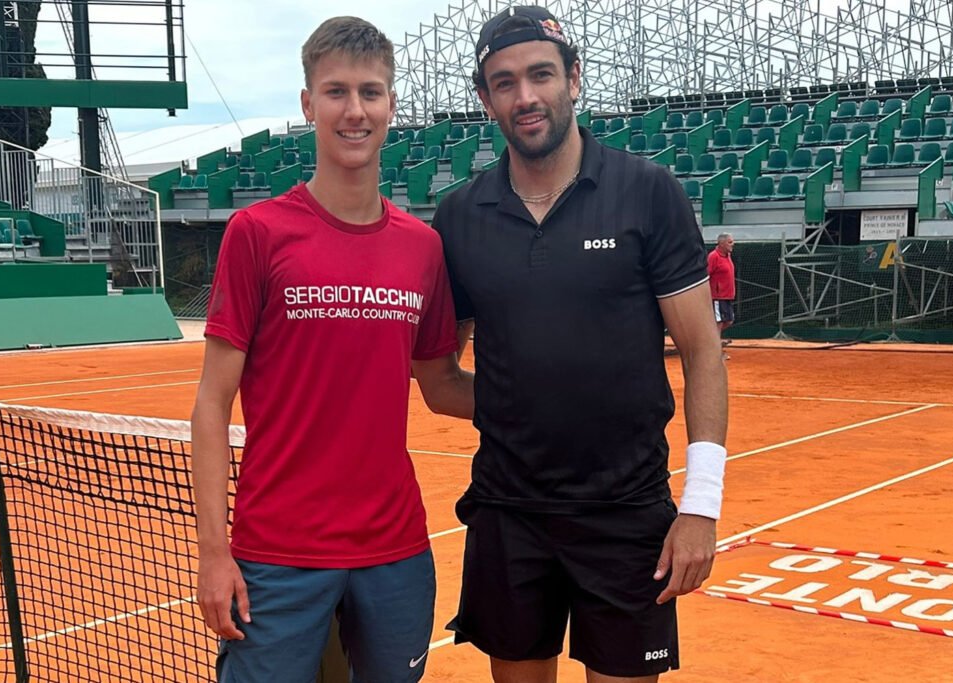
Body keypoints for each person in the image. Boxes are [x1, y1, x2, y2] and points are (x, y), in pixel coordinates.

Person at [433, 6, 728, 682]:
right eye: (503, 82)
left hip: (627, 516)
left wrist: (701, 506)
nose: (525, 96)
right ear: (485, 99)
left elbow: (703, 350)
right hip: (508, 515)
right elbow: (439, 373)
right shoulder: (457, 217)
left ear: (574, 78)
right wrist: (524, 405)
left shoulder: (647, 192)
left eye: (541, 75)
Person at [190, 16, 473, 683]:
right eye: (337, 91)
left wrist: (552, 401)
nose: (355, 109)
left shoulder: (422, 248)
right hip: (277, 555)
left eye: (370, 92)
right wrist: (212, 554)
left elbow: (440, 385)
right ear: (308, 103)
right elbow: (210, 406)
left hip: (395, 550)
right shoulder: (258, 233)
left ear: (392, 105)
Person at [708, 233, 737, 354]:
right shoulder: (713, 256)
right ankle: (715, 352)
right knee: (719, 323)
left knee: (729, 321)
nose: (733, 244)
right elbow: (706, 275)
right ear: (721, 243)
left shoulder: (728, 255)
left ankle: (709, 338)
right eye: (730, 242)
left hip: (728, 296)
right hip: (717, 297)